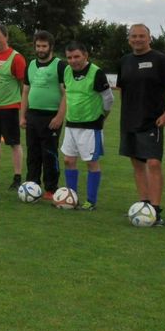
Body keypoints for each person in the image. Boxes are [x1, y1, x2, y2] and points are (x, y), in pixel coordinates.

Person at [116, 23, 165, 223]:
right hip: (129, 121)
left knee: (153, 163)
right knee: (137, 164)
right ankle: (144, 205)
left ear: (149, 38)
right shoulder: (125, 61)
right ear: (129, 39)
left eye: (142, 36)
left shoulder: (159, 60)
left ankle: (156, 210)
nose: (137, 39)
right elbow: (122, 89)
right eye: (134, 36)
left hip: (152, 121)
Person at [60, 41, 114, 211]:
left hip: (91, 127)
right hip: (71, 125)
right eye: (69, 57)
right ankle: (72, 198)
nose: (73, 60)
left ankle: (91, 201)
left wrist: (102, 117)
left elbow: (109, 99)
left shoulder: (96, 73)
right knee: (68, 160)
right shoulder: (67, 71)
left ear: (85, 56)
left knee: (91, 162)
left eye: (76, 56)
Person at [19, 31, 67, 199]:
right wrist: (22, 115)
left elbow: (65, 93)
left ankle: (51, 189)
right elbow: (25, 92)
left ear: (51, 47)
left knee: (49, 153)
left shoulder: (60, 65)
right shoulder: (30, 65)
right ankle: (32, 185)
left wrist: (60, 116)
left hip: (51, 117)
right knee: (33, 152)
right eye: (38, 46)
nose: (40, 49)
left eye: (44, 46)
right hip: (32, 116)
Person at [0, 24, 26, 189]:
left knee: (14, 143)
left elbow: (24, 85)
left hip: (10, 108)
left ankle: (17, 178)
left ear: (6, 37)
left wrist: (22, 108)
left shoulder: (16, 58)